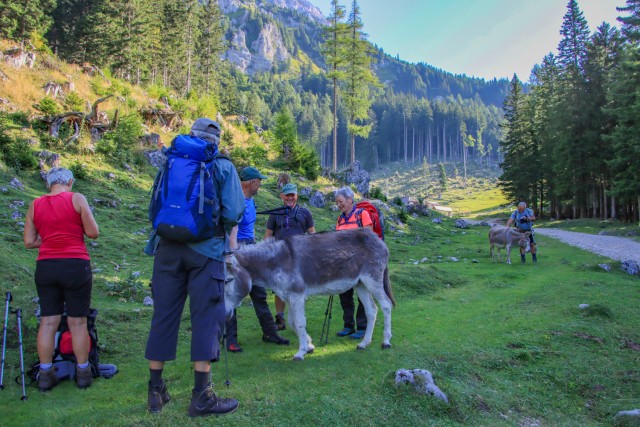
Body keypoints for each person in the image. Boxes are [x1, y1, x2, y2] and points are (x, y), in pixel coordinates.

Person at [145, 118, 243, 417]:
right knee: (206, 318)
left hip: (167, 250)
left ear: (192, 135)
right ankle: (202, 395)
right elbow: (235, 210)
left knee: (163, 316)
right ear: (216, 139)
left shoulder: (172, 160)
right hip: (206, 251)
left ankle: (156, 391)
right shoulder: (222, 165)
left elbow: (156, 201)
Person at [23, 167, 100, 391]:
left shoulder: (35, 204)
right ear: (70, 181)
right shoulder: (76, 198)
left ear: (49, 184)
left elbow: (28, 241)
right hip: (75, 264)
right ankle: (83, 373)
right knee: (78, 322)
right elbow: (93, 232)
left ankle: (46, 375)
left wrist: (49, 240)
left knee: (48, 321)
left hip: (46, 266)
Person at [225, 166, 289, 353]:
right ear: (251, 182)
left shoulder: (251, 201)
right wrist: (232, 253)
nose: (260, 185)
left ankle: (270, 332)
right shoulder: (235, 202)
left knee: (259, 292)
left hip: (251, 248)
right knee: (233, 292)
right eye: (259, 181)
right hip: (238, 249)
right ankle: (230, 340)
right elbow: (230, 229)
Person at [264, 183, 315, 329]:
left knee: (297, 288)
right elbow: (268, 235)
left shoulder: (305, 213)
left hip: (299, 258)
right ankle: (280, 319)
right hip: (279, 257)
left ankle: (297, 318)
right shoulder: (275, 214)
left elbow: (312, 234)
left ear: (297, 195)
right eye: (287, 195)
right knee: (279, 288)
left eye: (293, 195)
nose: (290, 198)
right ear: (282, 196)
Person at [334, 187, 370, 340]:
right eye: (337, 202)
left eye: (340, 201)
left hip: (361, 263)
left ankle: (362, 327)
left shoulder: (363, 215)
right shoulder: (340, 219)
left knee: (362, 294)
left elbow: (369, 238)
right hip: (344, 263)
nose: (339, 205)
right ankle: (348, 325)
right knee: (344, 294)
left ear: (350, 200)